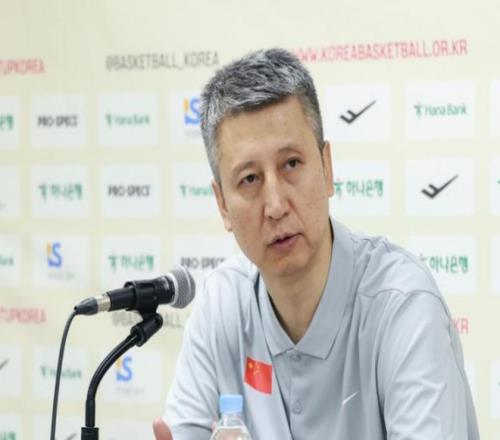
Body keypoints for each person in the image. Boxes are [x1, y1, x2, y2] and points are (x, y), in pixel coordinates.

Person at [153, 48, 479, 439]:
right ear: (222, 204)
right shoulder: (222, 303)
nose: (275, 206)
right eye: (249, 179)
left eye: (291, 164)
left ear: (327, 168)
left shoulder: (402, 305)